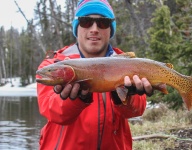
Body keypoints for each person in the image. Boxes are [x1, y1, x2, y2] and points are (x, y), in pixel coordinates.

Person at [36, 0, 153, 149]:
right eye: (86, 21)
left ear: (110, 30)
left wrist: (123, 97)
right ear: (76, 28)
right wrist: (75, 99)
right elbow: (53, 112)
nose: (94, 29)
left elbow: (136, 111)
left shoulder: (128, 63)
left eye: (102, 23)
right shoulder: (52, 65)